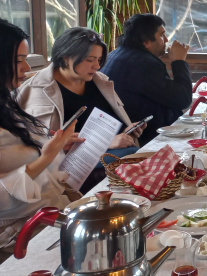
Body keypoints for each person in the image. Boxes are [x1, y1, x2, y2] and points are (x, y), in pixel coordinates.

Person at [17, 28, 146, 193]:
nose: (97, 66)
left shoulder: (100, 82)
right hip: (69, 167)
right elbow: (40, 147)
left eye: (99, 59)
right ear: (65, 57)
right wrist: (107, 143)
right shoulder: (36, 91)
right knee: (134, 158)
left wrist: (126, 132)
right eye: (90, 59)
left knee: (141, 157)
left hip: (110, 154)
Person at [0, 16, 82, 259]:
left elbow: (19, 150)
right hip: (17, 236)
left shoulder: (4, 102)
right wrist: (46, 157)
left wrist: (57, 144)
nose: (26, 68)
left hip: (48, 213)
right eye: (18, 61)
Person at [101, 14, 192, 146]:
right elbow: (182, 99)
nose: (166, 40)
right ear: (146, 42)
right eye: (162, 35)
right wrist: (179, 62)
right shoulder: (144, 64)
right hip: (146, 138)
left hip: (124, 131)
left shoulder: (114, 54)